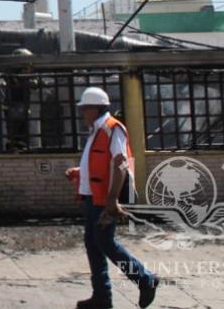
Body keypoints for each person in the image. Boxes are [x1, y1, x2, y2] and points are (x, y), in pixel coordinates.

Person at [66, 87, 159, 309]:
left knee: (104, 242)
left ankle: (145, 279)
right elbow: (99, 163)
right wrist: (79, 172)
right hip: (93, 197)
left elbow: (120, 164)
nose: (81, 114)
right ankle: (101, 297)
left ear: (95, 109)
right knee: (93, 244)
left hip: (104, 199)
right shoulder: (96, 131)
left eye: (84, 109)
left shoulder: (112, 129)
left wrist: (112, 200)